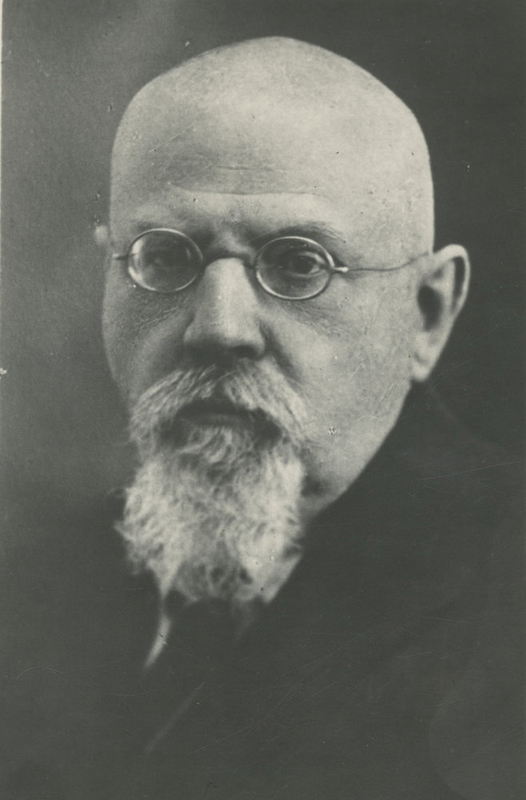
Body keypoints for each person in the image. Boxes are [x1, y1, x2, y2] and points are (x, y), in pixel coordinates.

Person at [3, 36, 523, 800]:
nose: (219, 327)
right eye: (165, 258)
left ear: (428, 311)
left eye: (299, 264)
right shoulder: (30, 588)